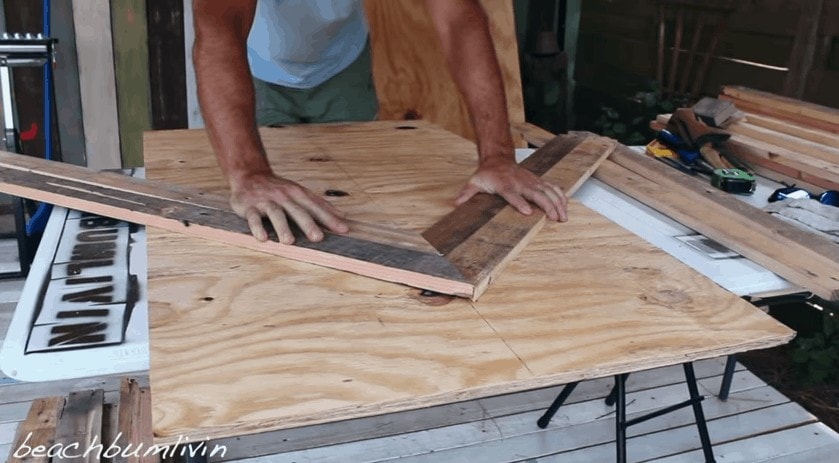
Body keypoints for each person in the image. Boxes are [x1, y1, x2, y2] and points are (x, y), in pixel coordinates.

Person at [192, 0, 568, 244]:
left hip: (343, 59)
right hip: (255, 65)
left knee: (350, 198)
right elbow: (218, 34)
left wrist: (498, 156)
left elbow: (459, 20)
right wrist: (248, 172)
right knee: (267, 220)